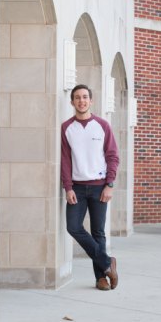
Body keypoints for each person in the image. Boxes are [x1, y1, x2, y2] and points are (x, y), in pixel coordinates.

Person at [61, 84, 119, 291]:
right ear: (72, 102)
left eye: (85, 97)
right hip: (76, 187)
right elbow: (65, 161)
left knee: (98, 232)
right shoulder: (67, 127)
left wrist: (109, 184)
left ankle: (101, 278)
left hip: (99, 187)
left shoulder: (102, 125)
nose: (81, 101)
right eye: (77, 97)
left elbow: (113, 156)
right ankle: (107, 263)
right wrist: (67, 187)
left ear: (91, 101)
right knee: (73, 227)